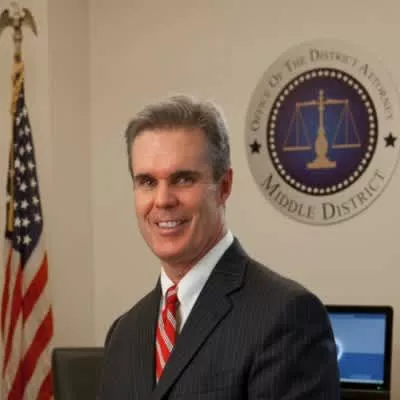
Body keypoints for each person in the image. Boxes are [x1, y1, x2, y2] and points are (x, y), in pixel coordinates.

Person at [99, 95, 340, 400]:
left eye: (182, 179)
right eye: (147, 182)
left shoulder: (287, 316)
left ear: (224, 186)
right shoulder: (123, 334)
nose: (162, 200)